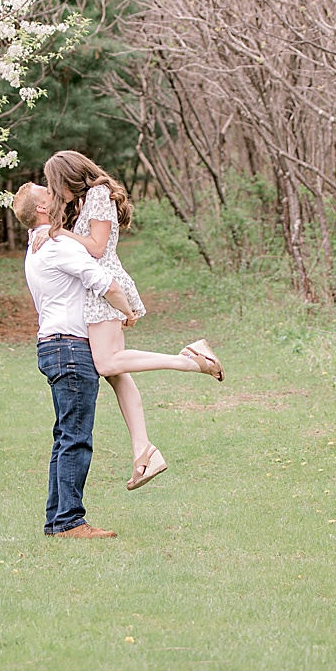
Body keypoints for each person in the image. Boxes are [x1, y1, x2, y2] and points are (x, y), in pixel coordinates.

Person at [37, 150, 221, 490]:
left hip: (102, 286)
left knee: (107, 363)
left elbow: (96, 246)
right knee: (116, 373)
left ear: (70, 177)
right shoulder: (87, 198)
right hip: (94, 289)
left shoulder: (98, 194)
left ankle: (191, 361)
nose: (55, 191)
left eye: (56, 184)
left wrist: (59, 234)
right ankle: (145, 452)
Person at [16, 180, 188, 538]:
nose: (55, 192)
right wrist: (128, 312)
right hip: (70, 348)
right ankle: (68, 522)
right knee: (75, 438)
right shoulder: (57, 243)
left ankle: (57, 520)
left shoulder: (36, 246)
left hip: (53, 346)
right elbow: (105, 283)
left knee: (65, 437)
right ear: (43, 209)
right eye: (48, 193)